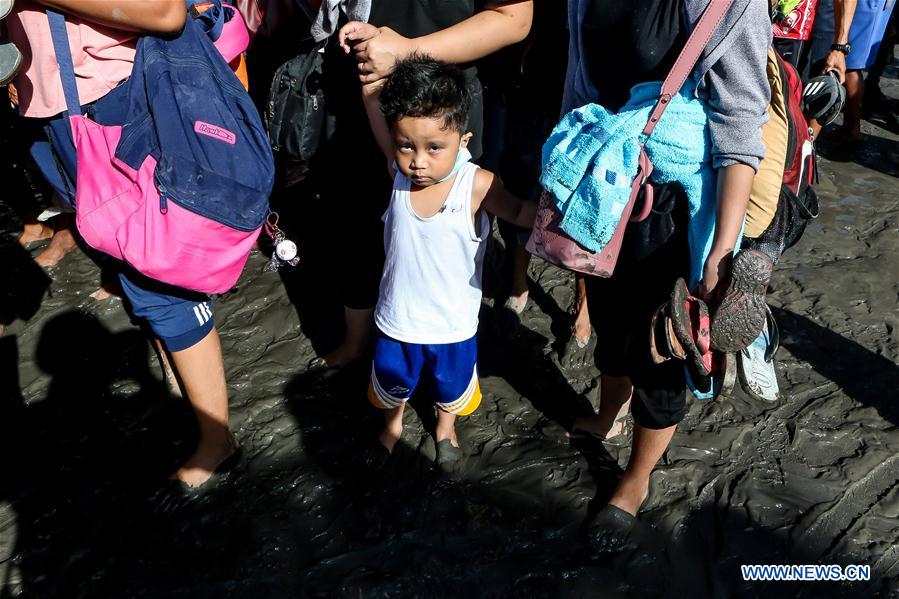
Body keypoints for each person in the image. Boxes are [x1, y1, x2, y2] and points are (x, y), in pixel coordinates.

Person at [6, 0, 239, 489]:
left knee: (160, 276)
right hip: (55, 108)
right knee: (119, 255)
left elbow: (164, 11)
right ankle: (178, 389)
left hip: (112, 102)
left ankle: (217, 440)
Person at [560, 0, 771, 524]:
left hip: (672, 210)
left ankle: (635, 479)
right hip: (603, 189)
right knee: (610, 325)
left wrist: (722, 251)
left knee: (659, 348)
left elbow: (740, 126)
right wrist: (564, 171)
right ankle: (610, 413)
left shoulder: (729, 4)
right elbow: (579, 82)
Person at [305, 1, 533, 373]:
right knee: (356, 223)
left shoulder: (469, 176)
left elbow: (515, 20)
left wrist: (405, 51)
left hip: (442, 104)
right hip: (368, 90)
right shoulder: (397, 157)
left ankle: (444, 399)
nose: (416, 163)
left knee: (444, 246)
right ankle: (358, 343)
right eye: (407, 153)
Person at [356, 54, 536, 461]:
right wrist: (369, 82)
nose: (418, 161)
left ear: (464, 141)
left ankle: (444, 427)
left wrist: (559, 210)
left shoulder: (478, 184)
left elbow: (523, 213)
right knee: (392, 379)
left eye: (434, 147)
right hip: (397, 318)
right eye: (406, 145)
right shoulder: (398, 173)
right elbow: (376, 113)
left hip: (453, 324)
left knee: (451, 385)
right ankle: (393, 423)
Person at [839, 0, 896, 140]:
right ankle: (850, 127)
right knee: (851, 62)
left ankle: (851, 128)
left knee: (850, 62)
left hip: (868, 6)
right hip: (876, 6)